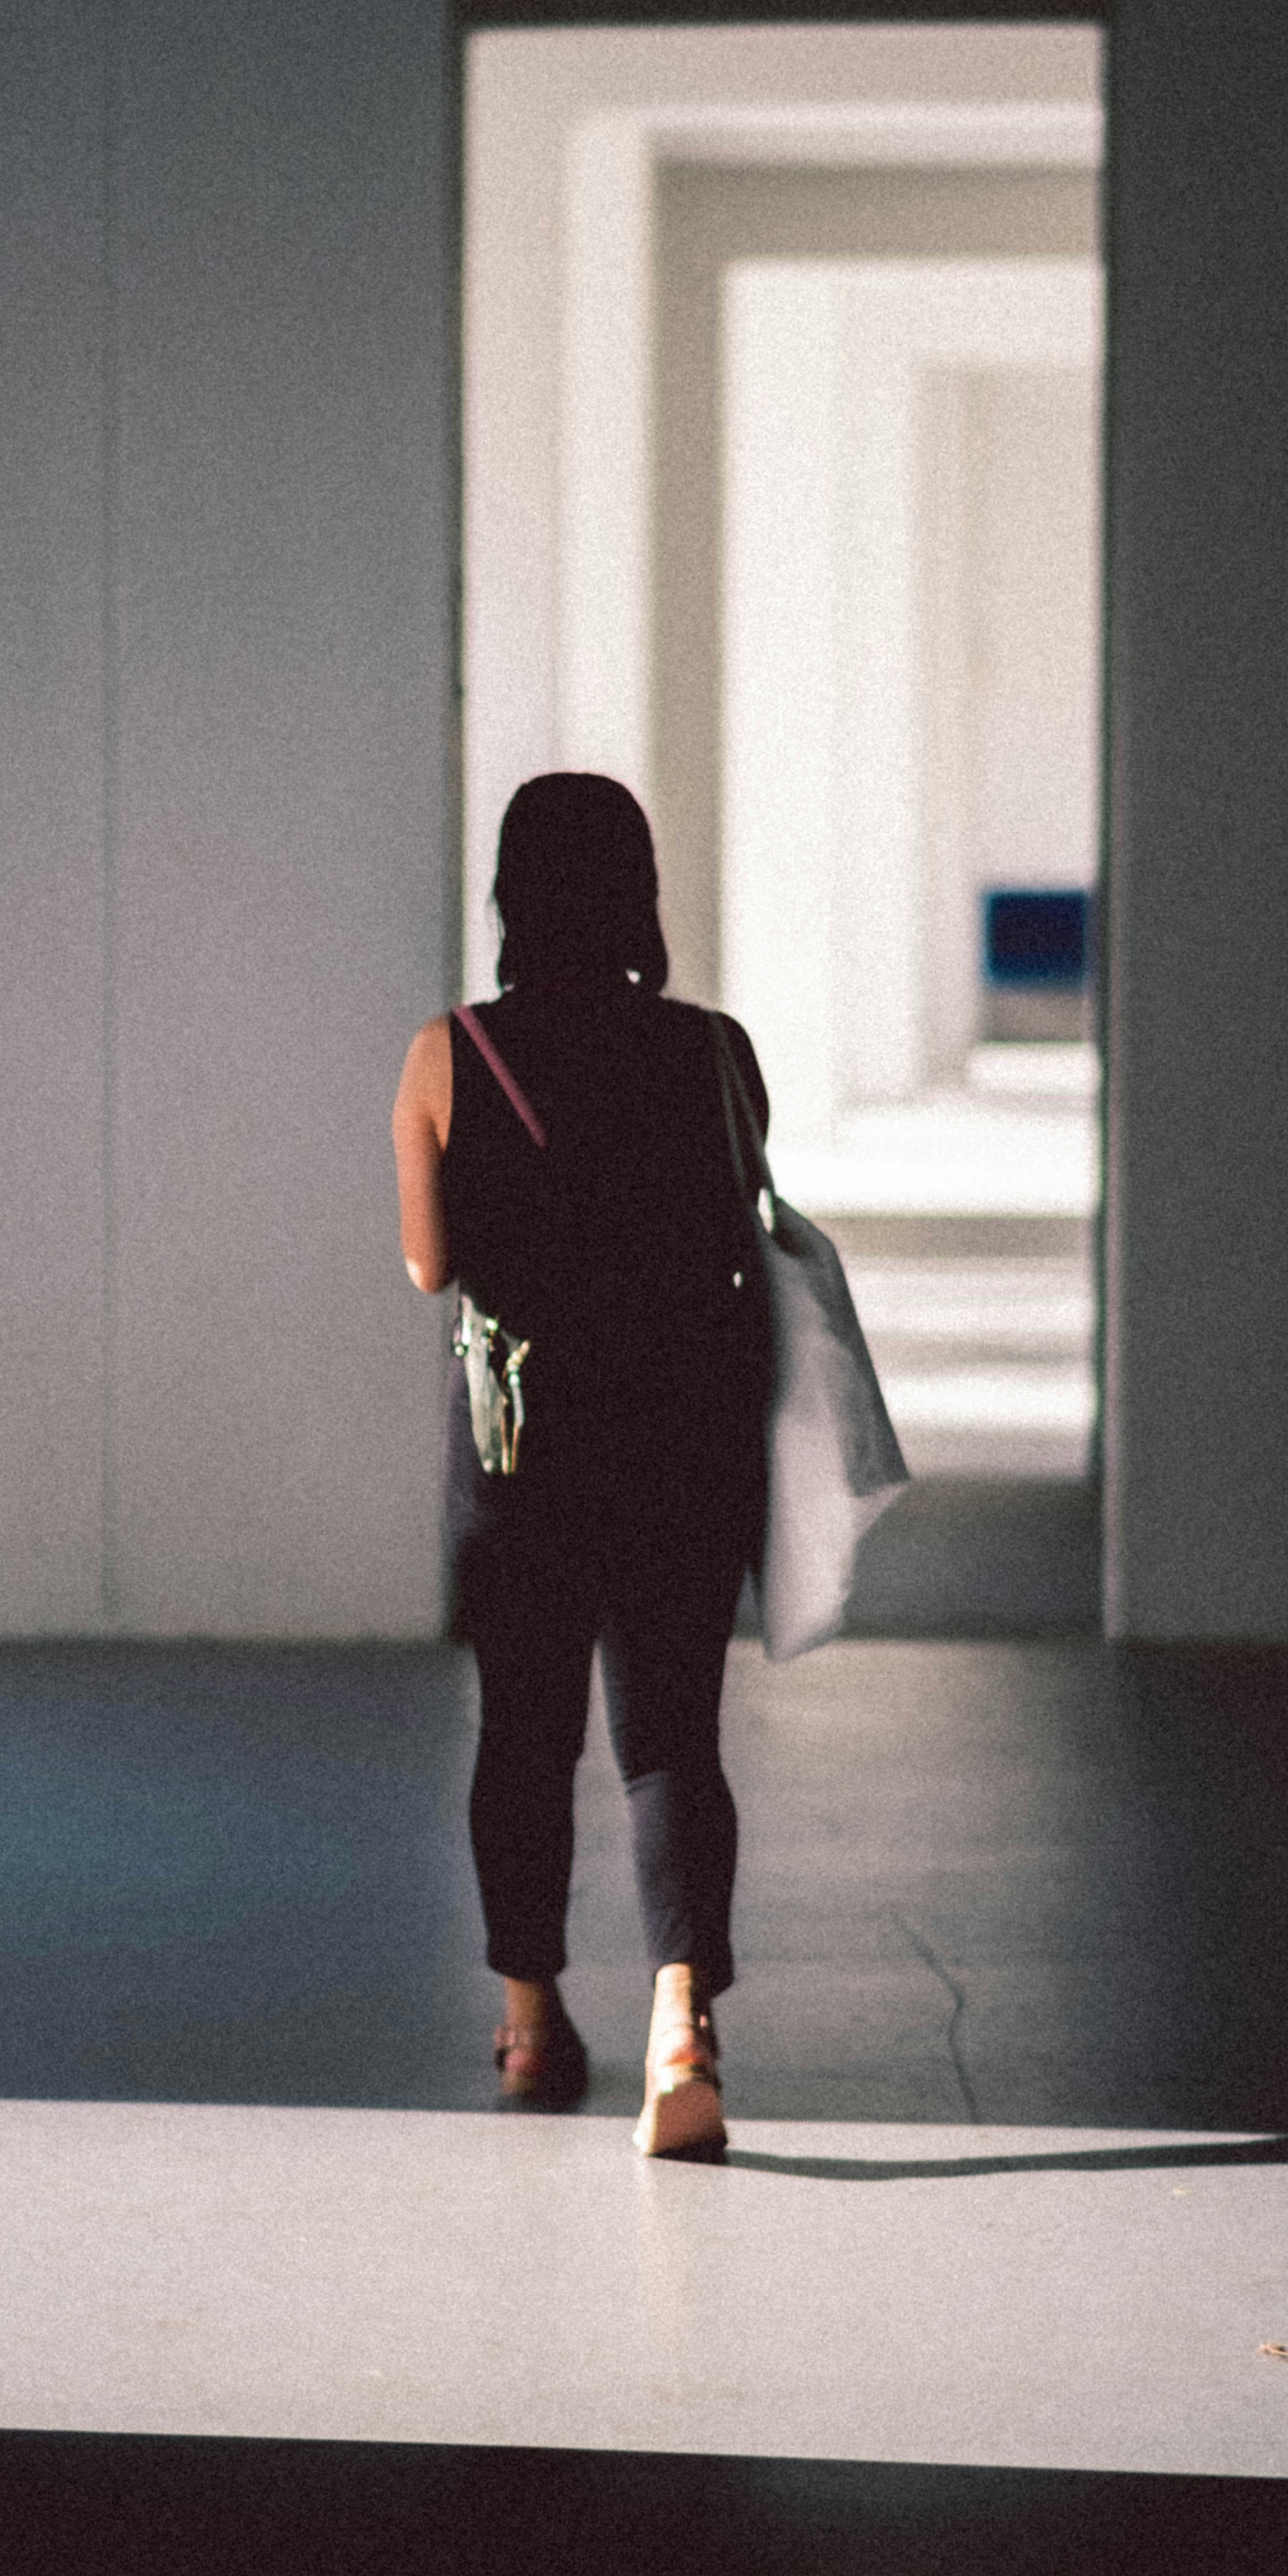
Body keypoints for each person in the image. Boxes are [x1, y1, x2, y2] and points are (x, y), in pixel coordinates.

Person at [391, 772, 772, 2161]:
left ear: (508, 895)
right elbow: (742, 1223)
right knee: (671, 1739)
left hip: (522, 1454)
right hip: (683, 1436)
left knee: (525, 1736)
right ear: (638, 892)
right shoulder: (715, 1053)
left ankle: (532, 2021)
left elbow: (431, 1264)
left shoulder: (450, 1053)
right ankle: (686, 2026)